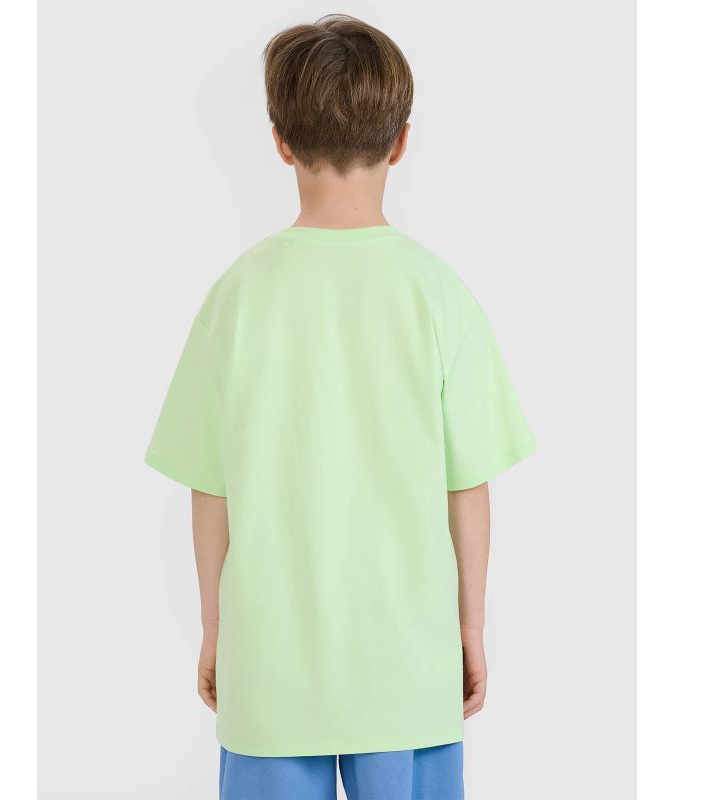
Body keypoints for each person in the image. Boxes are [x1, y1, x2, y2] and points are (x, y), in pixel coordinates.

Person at [145, 14, 535, 800]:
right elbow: (467, 487)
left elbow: (210, 488)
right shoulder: (438, 293)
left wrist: (216, 629)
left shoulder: (237, 297)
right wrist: (470, 629)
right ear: (402, 142)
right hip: (407, 668)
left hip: (271, 668)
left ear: (280, 143)